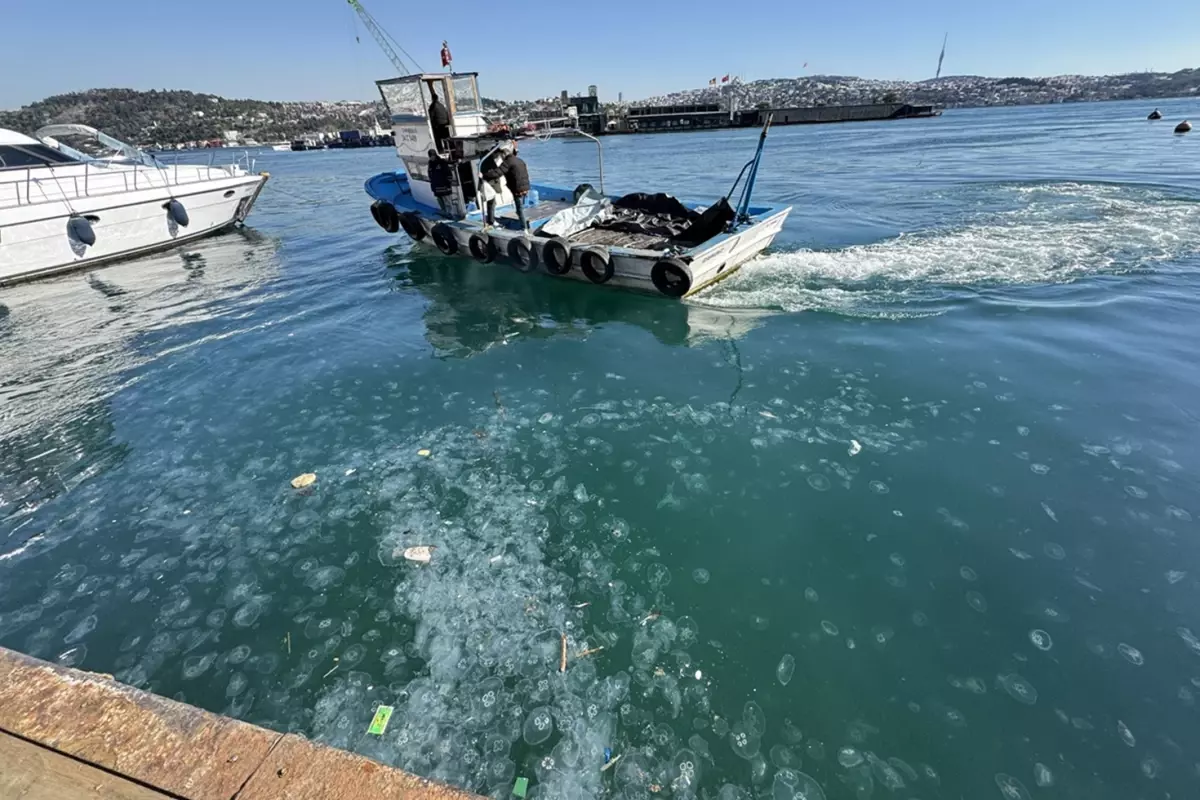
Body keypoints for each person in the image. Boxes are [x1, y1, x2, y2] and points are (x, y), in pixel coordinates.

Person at [500, 142, 531, 231]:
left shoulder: (508, 162)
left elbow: (499, 172)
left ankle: (524, 228)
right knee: (521, 208)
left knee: (519, 209)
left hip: (517, 189)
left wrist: (485, 175)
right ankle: (524, 225)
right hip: (525, 187)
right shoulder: (520, 160)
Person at [480, 146, 506, 228]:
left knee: (491, 203)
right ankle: (491, 221)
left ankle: (490, 219)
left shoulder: (487, 160)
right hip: (489, 186)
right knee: (491, 203)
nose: (497, 157)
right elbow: (490, 173)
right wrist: (499, 172)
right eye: (497, 155)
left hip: (490, 185)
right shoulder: (487, 161)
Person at [427, 148, 456, 218]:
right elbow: (430, 176)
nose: (432, 157)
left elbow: (449, 174)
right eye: (431, 156)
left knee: (448, 201)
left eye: (433, 155)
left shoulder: (442, 162)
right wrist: (432, 186)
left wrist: (448, 183)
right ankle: (445, 212)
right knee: (441, 201)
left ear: (435, 155)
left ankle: (451, 214)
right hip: (436, 187)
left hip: (444, 186)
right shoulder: (430, 164)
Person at [428, 88, 451, 152]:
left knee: (436, 137)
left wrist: (432, 124)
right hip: (445, 124)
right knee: (445, 137)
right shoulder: (442, 105)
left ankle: (440, 149)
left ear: (432, 99)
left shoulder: (432, 106)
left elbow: (431, 116)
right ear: (437, 98)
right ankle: (447, 148)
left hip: (439, 125)